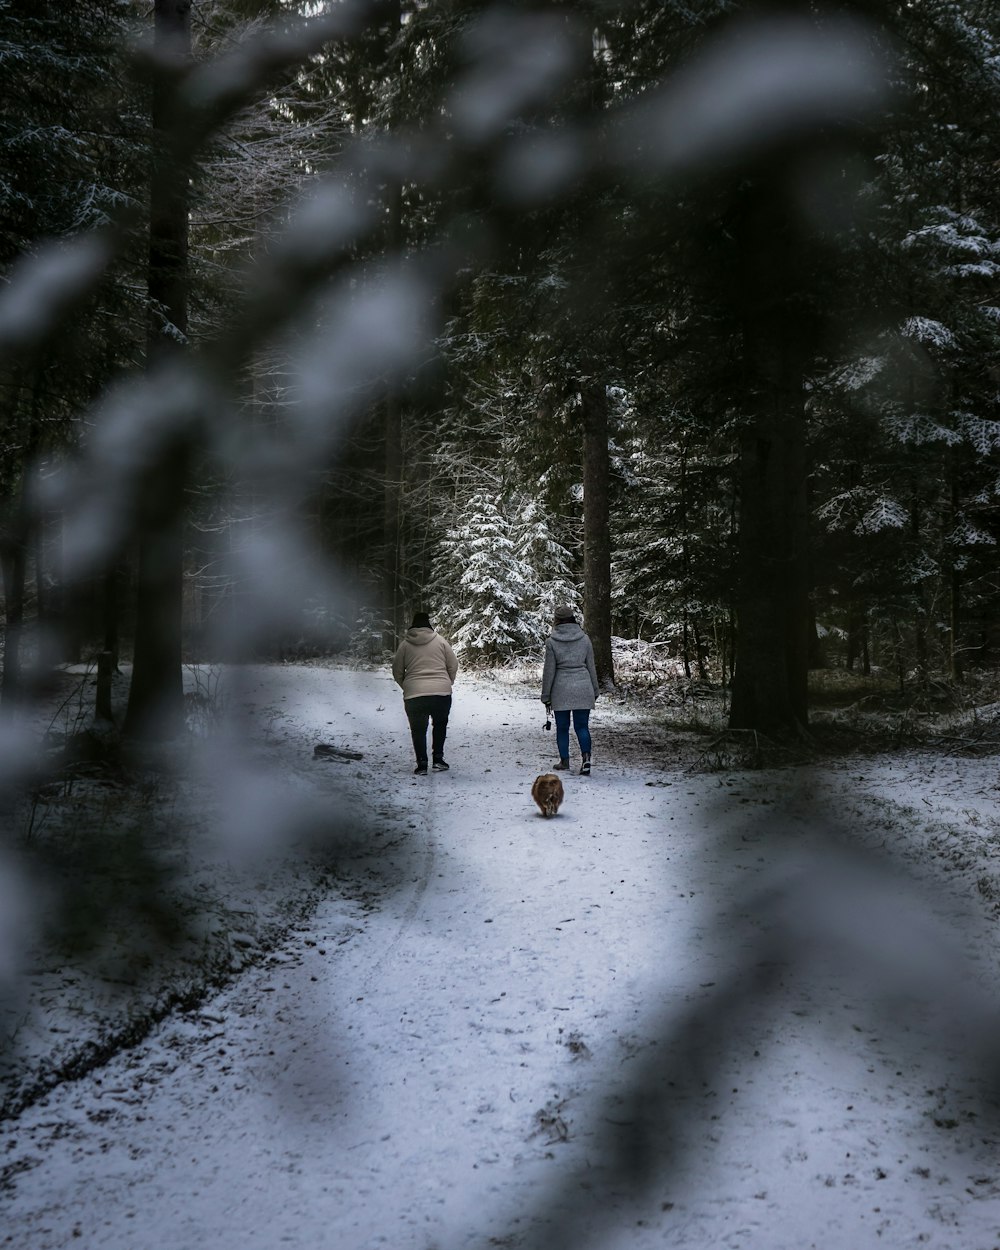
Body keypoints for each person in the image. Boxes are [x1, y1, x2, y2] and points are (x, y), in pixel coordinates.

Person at [392, 611, 458, 775]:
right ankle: (438, 760)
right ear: (429, 625)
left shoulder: (405, 645)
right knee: (440, 725)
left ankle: (422, 764)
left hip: (414, 695)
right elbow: (453, 664)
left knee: (418, 730)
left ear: (413, 626)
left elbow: (397, 671)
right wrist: (447, 682)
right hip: (441, 693)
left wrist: (408, 686)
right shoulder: (440, 641)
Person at [540, 605, 600, 775]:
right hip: (583, 686)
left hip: (561, 689)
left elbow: (549, 671)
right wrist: (595, 690)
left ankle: (564, 761)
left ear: (556, 620)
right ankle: (586, 758)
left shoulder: (551, 642)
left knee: (562, 727)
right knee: (582, 726)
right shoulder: (585, 639)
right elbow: (591, 667)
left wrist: (546, 695)